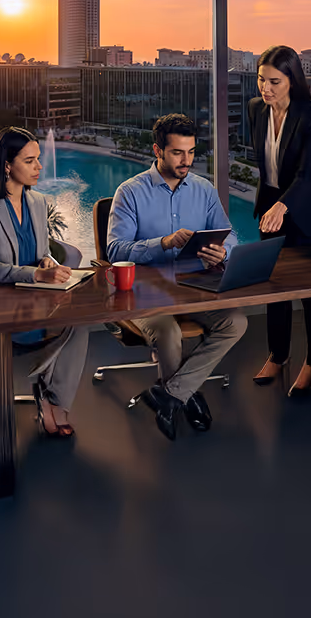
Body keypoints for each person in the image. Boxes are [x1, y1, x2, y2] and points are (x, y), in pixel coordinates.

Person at [106, 113, 247, 441]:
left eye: (192, 152)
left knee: (236, 323)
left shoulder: (204, 190)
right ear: (157, 150)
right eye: (177, 153)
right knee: (168, 333)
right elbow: (115, 251)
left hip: (195, 286)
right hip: (146, 291)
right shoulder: (130, 192)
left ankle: (169, 396)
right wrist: (164, 243)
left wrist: (222, 252)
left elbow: (231, 237)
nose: (187, 161)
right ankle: (187, 396)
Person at [0, 126, 89, 439]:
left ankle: (54, 401)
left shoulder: (37, 202)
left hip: (36, 298)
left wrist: (48, 262)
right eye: (30, 161)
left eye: (39, 159)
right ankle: (44, 384)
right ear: (7, 164)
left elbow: (42, 252)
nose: (39, 167)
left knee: (81, 321)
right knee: (65, 327)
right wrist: (36, 274)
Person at [248, 46, 311, 396]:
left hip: (307, 211)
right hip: (271, 208)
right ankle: (278, 354)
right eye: (261, 79)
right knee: (275, 288)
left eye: (274, 81)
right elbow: (267, 167)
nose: (265, 88)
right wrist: (271, 205)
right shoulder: (256, 109)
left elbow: (308, 173)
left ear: (292, 80)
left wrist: (283, 206)